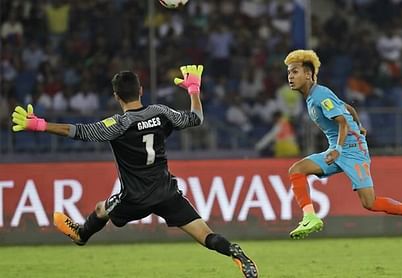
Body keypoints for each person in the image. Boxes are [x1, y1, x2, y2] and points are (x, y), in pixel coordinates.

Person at [11, 66, 258, 278]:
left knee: (101, 209)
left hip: (135, 198)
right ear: (141, 91)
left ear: (117, 96)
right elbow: (196, 119)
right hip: (167, 193)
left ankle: (81, 234)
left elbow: (78, 131)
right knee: (206, 235)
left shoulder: (117, 124)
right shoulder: (161, 113)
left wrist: (40, 124)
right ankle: (233, 251)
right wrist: (193, 90)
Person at [283, 49, 402, 242]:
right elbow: (349, 109)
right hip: (338, 148)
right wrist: (359, 126)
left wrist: (339, 148)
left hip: (353, 151)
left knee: (370, 203)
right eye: (289, 72)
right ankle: (310, 217)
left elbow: (342, 122)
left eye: (295, 72)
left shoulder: (320, 94)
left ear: (308, 74)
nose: (290, 76)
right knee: (297, 170)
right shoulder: (313, 97)